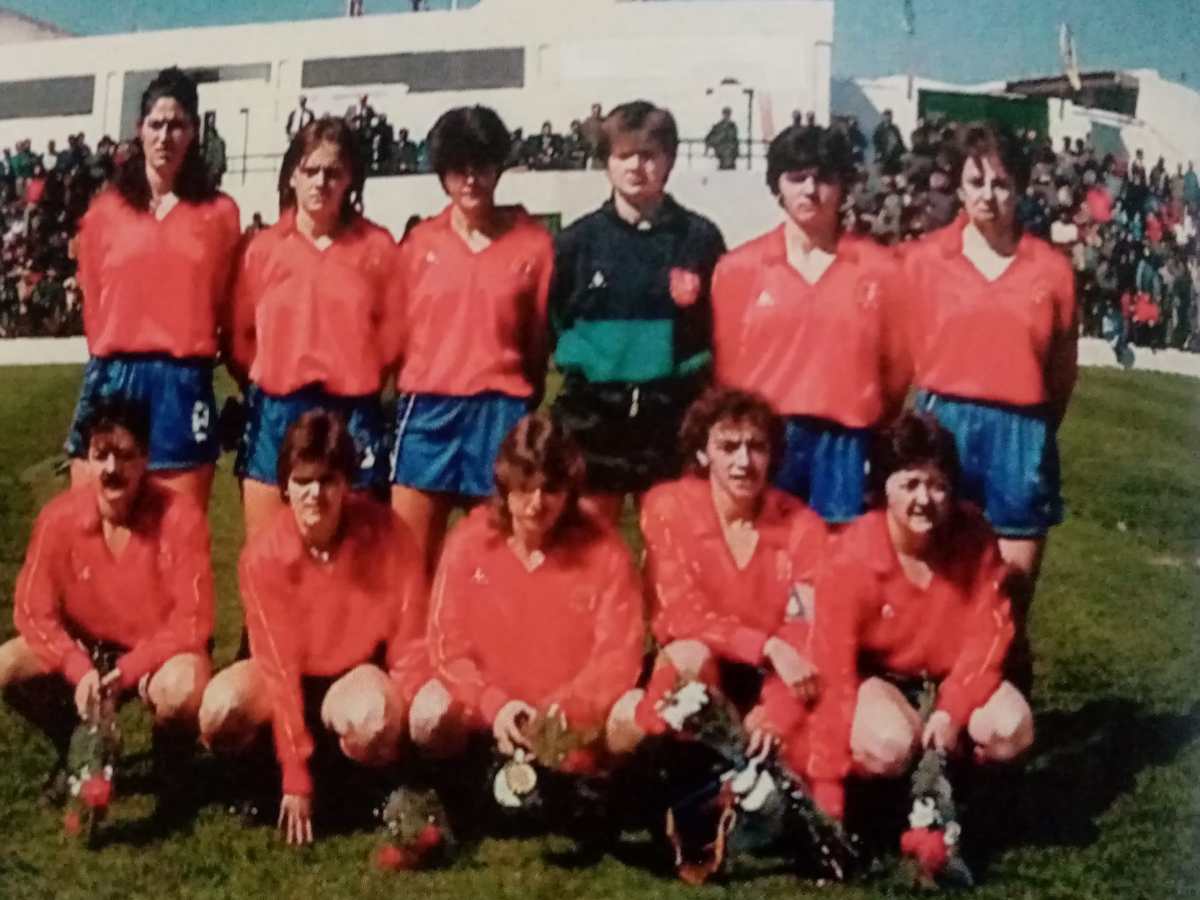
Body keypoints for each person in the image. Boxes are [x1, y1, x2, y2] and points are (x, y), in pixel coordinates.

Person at [198, 410, 428, 846]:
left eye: (327, 481)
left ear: (347, 483)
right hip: (285, 675)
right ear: (284, 486)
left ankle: (368, 786)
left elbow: (409, 638)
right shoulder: (262, 556)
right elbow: (279, 669)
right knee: (220, 708)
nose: (314, 495)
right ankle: (253, 781)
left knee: (374, 718)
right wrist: (295, 775)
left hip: (354, 672)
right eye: (302, 481)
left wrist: (408, 739)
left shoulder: (387, 532)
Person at [902, 121, 1077, 682]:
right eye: (975, 181)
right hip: (943, 428)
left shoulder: (1051, 269)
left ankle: (1004, 735)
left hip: (1020, 434)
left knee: (1008, 595)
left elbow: (1061, 375)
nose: (988, 194)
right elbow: (902, 349)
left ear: (1020, 187)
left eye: (1001, 182)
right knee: (937, 583)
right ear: (957, 186)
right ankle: (933, 726)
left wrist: (1031, 431)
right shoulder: (925, 260)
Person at [801, 411, 1033, 822]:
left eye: (937, 485)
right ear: (883, 486)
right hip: (884, 682)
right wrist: (827, 781)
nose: (924, 500)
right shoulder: (851, 555)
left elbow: (989, 636)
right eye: (910, 484)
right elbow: (832, 666)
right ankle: (888, 794)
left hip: (952, 679)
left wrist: (951, 711)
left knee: (1012, 727)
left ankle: (954, 783)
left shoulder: (974, 536)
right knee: (889, 744)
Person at [413, 412, 645, 773]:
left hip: (571, 719)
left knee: (635, 712)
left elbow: (619, 657)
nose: (537, 502)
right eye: (524, 487)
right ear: (505, 487)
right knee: (429, 710)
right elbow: (446, 645)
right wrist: (494, 704)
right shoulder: (469, 540)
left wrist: (558, 711)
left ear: (569, 491)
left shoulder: (606, 549)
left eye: (550, 489)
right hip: (491, 711)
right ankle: (453, 785)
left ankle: (608, 791)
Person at [0, 399, 214, 784]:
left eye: (126, 456)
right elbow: (32, 611)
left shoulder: (181, 518)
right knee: (6, 665)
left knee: (183, 688)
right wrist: (76, 666)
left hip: (152, 654)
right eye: (102, 456)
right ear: (87, 459)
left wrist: (130, 668)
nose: (112, 469)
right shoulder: (58, 518)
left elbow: (194, 620)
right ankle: (71, 735)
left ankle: (171, 761)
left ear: (146, 458)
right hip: (86, 650)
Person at [711, 125, 910, 524]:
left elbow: (898, 367)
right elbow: (726, 367)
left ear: (843, 186)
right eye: (796, 177)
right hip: (767, 438)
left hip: (847, 443)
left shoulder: (882, 270)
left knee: (838, 566)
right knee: (765, 556)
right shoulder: (740, 268)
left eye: (823, 178)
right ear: (777, 186)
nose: (810, 190)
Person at [65, 67, 241, 510]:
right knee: (94, 536)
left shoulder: (219, 213)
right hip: (114, 377)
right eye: (157, 124)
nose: (166, 137)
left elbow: (226, 301)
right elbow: (93, 300)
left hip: (181, 383)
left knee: (177, 541)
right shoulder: (106, 212)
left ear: (194, 132)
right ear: (139, 130)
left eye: (178, 125)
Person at [390, 106, 553, 572]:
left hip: (499, 409)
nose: (470, 180)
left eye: (481, 166)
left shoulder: (533, 244)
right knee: (410, 560)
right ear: (442, 173)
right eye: (458, 169)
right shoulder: (420, 243)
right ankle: (410, 648)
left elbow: (537, 338)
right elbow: (399, 331)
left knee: (496, 561)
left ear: (498, 167)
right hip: (428, 411)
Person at [550, 100, 726, 524]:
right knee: (590, 545)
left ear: (668, 161)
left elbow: (715, 325)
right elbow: (555, 320)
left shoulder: (699, 238)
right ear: (606, 163)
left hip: (671, 415)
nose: (635, 167)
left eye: (648, 155)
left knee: (672, 545)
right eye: (623, 155)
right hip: (594, 416)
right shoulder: (578, 241)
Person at [227, 116, 401, 538]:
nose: (321, 182)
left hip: (351, 413)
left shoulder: (377, 247)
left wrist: (358, 378)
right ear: (292, 175)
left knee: (358, 558)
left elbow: (395, 335)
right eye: (310, 170)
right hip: (277, 410)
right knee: (271, 554)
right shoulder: (263, 249)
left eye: (333, 172)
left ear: (350, 180)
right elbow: (240, 336)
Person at [638, 387, 827, 756]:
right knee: (687, 659)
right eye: (728, 448)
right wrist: (764, 646)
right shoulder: (668, 507)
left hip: (772, 677)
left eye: (756, 447)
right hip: (703, 660)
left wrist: (775, 712)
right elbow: (681, 616)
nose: (744, 462)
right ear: (702, 453)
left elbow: (803, 630)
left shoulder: (803, 526)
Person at [872, 109, 906, 174]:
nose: (888, 118)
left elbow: (900, 141)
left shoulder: (895, 128)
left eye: (890, 116)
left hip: (895, 155)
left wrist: (903, 151)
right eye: (886, 116)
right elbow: (876, 142)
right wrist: (878, 152)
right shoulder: (879, 129)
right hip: (884, 154)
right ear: (883, 117)